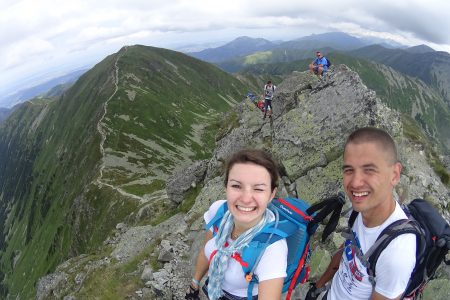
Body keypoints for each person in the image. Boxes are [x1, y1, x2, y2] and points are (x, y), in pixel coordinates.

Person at [306, 127, 416, 300]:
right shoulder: (360, 210)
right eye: (349, 170)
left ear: (394, 175)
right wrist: (317, 288)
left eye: (369, 170)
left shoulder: (397, 254)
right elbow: (346, 251)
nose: (355, 183)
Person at [185, 149, 287, 300]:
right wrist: (195, 283)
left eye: (258, 188)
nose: (246, 199)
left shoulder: (272, 247)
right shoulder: (219, 211)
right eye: (236, 186)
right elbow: (207, 250)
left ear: (271, 194)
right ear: (226, 187)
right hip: (213, 286)